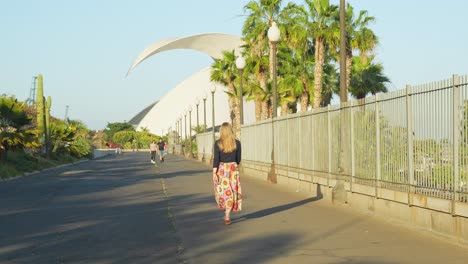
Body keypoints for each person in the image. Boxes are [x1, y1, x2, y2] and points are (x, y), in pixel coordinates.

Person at [212, 122, 242, 225]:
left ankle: (227, 214)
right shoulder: (237, 143)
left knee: (223, 191)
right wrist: (234, 165)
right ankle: (227, 214)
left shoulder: (218, 143)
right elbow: (239, 159)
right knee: (232, 191)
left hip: (221, 169)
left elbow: (216, 159)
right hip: (233, 169)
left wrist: (214, 173)